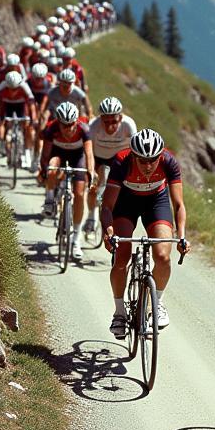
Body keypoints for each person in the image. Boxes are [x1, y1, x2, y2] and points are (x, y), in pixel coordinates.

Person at [101, 129, 187, 336]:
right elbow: (107, 206)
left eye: (153, 160)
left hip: (156, 202)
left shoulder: (169, 162)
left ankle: (157, 303)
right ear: (133, 156)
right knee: (121, 257)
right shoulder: (122, 162)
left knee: (163, 256)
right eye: (142, 161)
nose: (148, 166)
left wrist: (182, 235)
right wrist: (108, 231)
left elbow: (178, 204)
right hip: (126, 202)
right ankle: (119, 313)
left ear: (160, 156)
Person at [39, 102, 94, 260]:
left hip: (78, 157)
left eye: (71, 125)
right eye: (64, 125)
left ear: (76, 122)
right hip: (58, 155)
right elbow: (45, 155)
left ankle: (76, 240)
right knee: (51, 166)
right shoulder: (52, 129)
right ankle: (49, 199)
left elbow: (89, 155)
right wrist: (44, 171)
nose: (68, 129)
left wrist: (90, 172)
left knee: (79, 193)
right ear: (59, 122)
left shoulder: (84, 130)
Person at [84, 96, 137, 234]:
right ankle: (92, 215)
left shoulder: (128, 124)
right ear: (100, 118)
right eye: (105, 121)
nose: (110, 126)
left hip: (119, 159)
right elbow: (88, 151)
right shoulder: (94, 125)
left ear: (120, 117)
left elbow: (135, 151)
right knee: (94, 187)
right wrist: (91, 171)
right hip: (99, 158)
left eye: (113, 121)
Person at [0, 70, 37, 155]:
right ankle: (2, 142)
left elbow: (31, 104)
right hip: (6, 105)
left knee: (27, 126)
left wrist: (33, 118)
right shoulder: (2, 86)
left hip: (20, 105)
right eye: (10, 88)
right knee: (1, 122)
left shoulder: (24, 86)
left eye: (15, 88)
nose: (13, 91)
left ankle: (26, 149)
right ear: (7, 84)